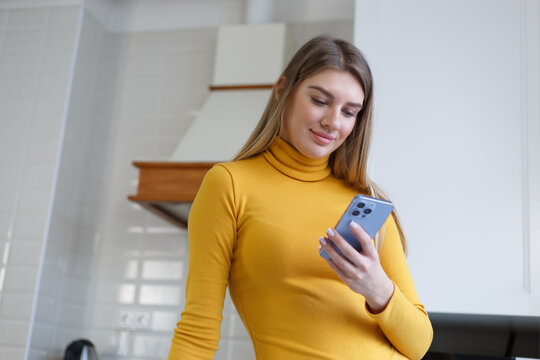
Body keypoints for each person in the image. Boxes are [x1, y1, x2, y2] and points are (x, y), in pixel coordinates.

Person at [168, 35, 433, 359]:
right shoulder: (230, 184)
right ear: (283, 91)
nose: (333, 122)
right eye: (320, 101)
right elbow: (198, 331)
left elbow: (419, 344)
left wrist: (376, 287)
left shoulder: (365, 200)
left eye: (350, 112)